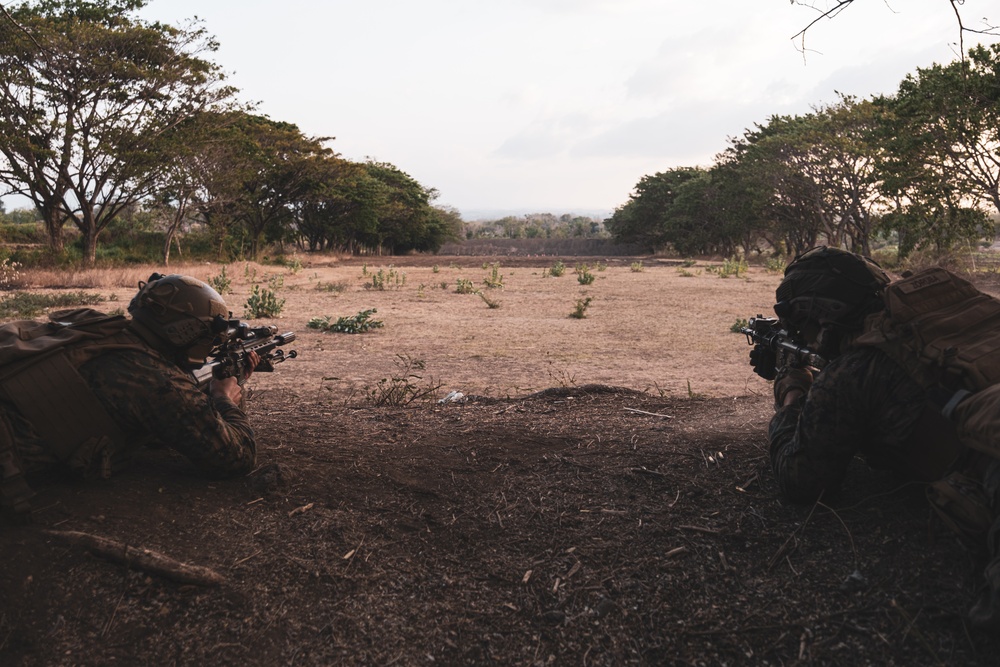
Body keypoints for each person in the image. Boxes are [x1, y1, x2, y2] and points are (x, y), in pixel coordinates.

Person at [755, 246, 1000, 630]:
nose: (804, 336)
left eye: (803, 326)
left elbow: (801, 481)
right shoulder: (947, 318)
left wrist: (794, 390)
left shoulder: (855, 370)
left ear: (826, 315)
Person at [0, 273, 259, 517]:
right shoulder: (155, 380)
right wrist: (223, 397)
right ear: (188, 332)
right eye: (211, 338)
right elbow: (236, 458)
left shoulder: (104, 331)